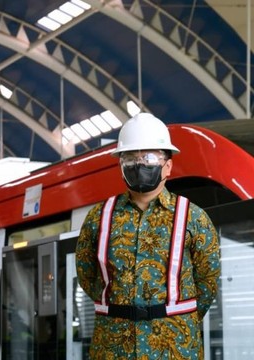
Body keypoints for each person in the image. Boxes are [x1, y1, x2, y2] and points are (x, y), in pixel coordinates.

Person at [75, 113, 221, 359]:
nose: (139, 164)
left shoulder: (193, 218)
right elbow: (87, 276)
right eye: (130, 158)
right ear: (120, 165)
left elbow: (208, 281)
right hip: (113, 348)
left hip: (175, 348)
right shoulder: (98, 218)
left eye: (150, 157)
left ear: (168, 166)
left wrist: (176, 317)